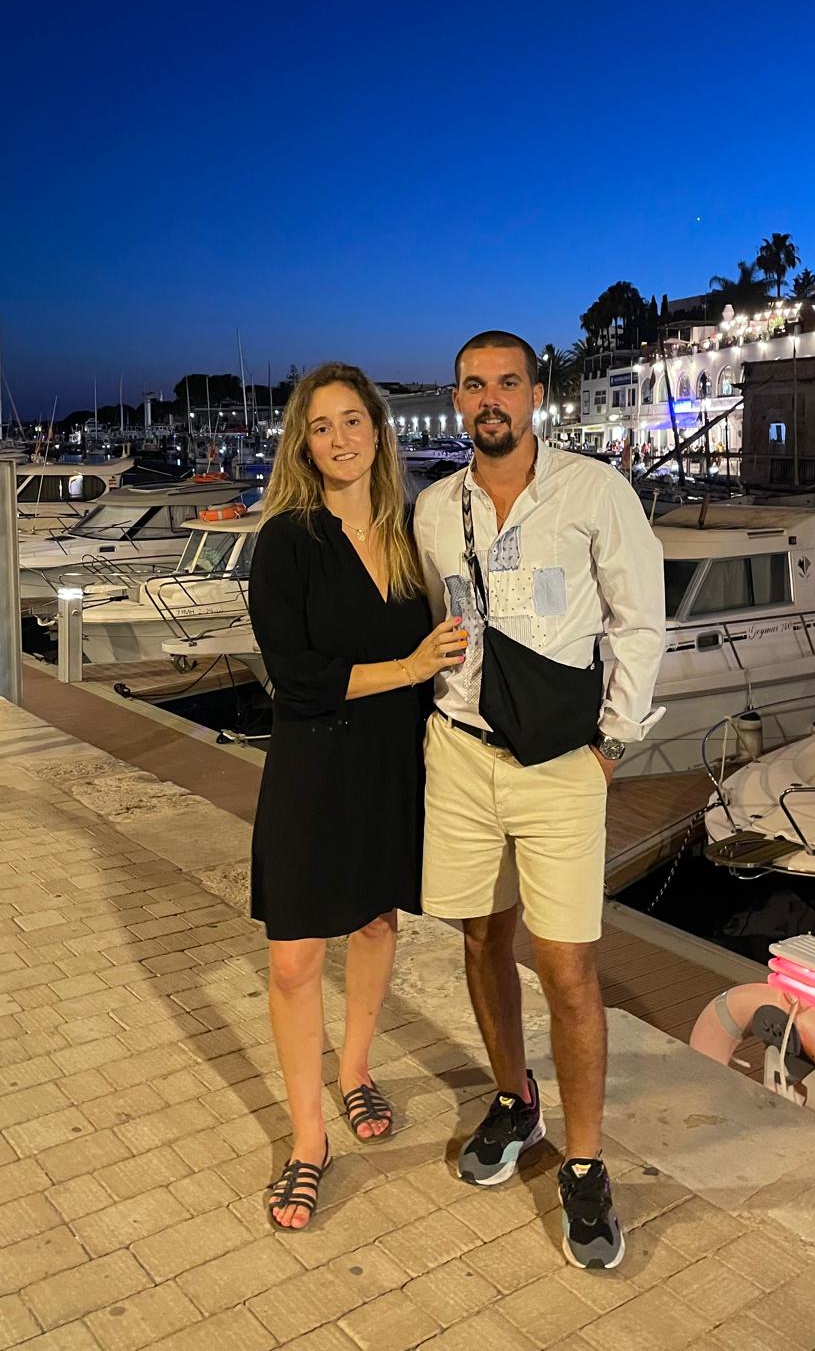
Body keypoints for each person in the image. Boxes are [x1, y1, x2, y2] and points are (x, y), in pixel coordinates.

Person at [414, 331, 666, 1271]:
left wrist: (612, 744)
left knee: (567, 966)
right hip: (461, 752)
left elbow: (640, 620)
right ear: (457, 399)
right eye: (474, 385)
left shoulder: (595, 491)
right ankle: (516, 1100)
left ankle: (586, 1164)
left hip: (563, 763)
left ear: (535, 395)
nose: (491, 399)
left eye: (507, 383)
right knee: (482, 938)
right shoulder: (434, 508)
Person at [249, 362, 467, 1230]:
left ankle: (355, 1069)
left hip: (393, 762)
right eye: (321, 426)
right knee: (293, 959)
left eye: (352, 420)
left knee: (378, 922)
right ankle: (309, 1140)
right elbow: (296, 676)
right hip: (313, 763)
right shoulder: (287, 539)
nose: (339, 438)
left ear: (379, 430)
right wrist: (408, 667)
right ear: (303, 445)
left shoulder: (414, 534)